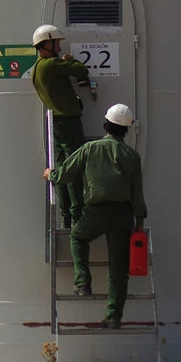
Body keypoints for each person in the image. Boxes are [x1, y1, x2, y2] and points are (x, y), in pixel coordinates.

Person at [45, 103, 146, 328]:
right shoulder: (132, 155)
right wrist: (139, 221)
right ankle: (114, 318)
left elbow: (66, 173)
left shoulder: (90, 148)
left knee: (78, 237)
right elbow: (137, 193)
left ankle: (82, 283)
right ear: (126, 130)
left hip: (96, 211)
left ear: (105, 125)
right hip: (123, 214)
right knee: (118, 269)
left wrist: (51, 174)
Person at [29, 23, 94, 226]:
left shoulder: (36, 68)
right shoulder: (51, 64)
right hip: (68, 122)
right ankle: (78, 215)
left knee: (61, 168)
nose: (59, 47)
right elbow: (81, 71)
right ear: (46, 44)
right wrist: (71, 61)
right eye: (56, 42)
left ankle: (66, 216)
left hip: (55, 123)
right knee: (73, 168)